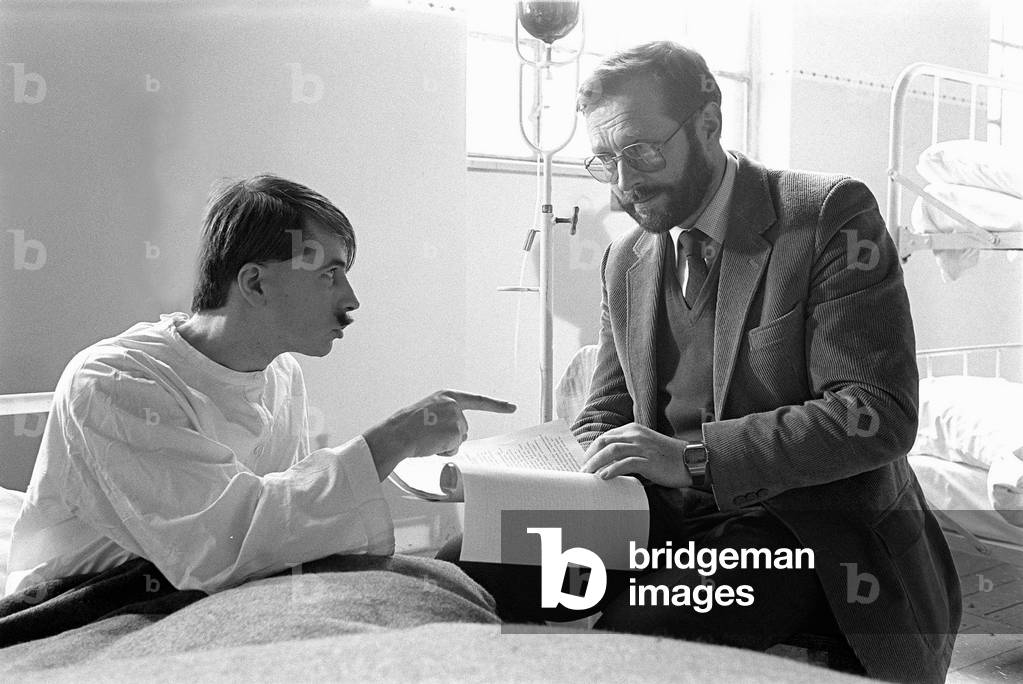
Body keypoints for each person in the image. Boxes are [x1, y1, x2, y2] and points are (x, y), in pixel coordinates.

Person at [443, 42, 960, 684]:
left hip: (802, 529)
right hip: (659, 514)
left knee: (640, 639)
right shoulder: (626, 260)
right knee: (463, 566)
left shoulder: (827, 216)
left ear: (709, 124)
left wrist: (692, 461)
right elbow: (606, 407)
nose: (624, 183)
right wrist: (576, 494)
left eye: (642, 151)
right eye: (604, 160)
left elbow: (877, 413)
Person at [5, 174, 514, 596]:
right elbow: (217, 547)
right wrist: (396, 438)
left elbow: (279, 527)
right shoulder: (116, 381)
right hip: (94, 594)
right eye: (330, 274)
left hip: (216, 586)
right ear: (254, 283)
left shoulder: (280, 374)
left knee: (448, 577)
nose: (352, 299)